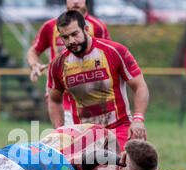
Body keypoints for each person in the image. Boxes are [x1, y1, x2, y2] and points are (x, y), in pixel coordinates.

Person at [47, 10, 150, 150]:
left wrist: (138, 120)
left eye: (74, 34)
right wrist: (59, 131)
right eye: (65, 37)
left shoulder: (114, 51)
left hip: (118, 127)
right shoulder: (57, 64)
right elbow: (54, 99)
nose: (71, 41)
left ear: (86, 29)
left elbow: (139, 86)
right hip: (83, 134)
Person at [28, 0, 110, 125]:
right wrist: (34, 65)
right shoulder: (50, 26)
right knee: (67, 134)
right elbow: (34, 51)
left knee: (91, 136)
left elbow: (109, 56)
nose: (76, 1)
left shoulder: (98, 27)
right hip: (60, 89)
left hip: (90, 88)